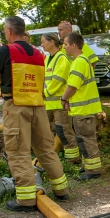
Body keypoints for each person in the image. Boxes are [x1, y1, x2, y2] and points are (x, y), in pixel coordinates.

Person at [0, 16, 70, 211]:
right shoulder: (38, 53)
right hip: (39, 107)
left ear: (9, 31)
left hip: (16, 107)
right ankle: (62, 190)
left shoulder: (5, 50)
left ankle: (25, 200)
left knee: (18, 152)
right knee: (46, 149)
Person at [61, 32, 102, 180]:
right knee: (85, 140)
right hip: (85, 110)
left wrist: (63, 98)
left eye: (65, 44)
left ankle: (93, 171)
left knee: (86, 140)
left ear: (73, 45)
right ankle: (89, 167)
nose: (64, 47)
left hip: (83, 111)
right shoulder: (84, 60)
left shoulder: (78, 62)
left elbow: (72, 86)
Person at [41, 32, 80, 162]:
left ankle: (73, 158)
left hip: (59, 104)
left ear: (51, 42)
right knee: (46, 131)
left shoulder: (61, 58)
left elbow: (58, 80)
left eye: (43, 42)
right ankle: (51, 157)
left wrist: (45, 92)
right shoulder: (47, 59)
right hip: (49, 104)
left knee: (64, 131)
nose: (41, 45)